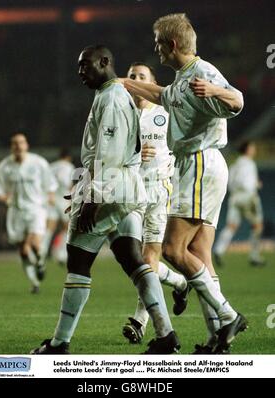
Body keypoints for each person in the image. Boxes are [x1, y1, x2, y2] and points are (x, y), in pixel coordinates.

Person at [31, 45, 180, 355]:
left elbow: (109, 158)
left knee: (78, 260)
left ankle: (59, 343)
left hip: (112, 191)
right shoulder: (112, 95)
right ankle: (165, 334)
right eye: (79, 66)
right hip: (126, 191)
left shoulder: (111, 98)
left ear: (105, 62)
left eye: (85, 65)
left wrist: (91, 201)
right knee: (133, 260)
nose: (80, 72)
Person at [121, 13, 247, 354]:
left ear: (172, 44)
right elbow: (164, 95)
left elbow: (237, 100)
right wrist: (124, 82)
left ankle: (229, 315)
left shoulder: (202, 72)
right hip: (202, 165)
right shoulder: (182, 78)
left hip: (200, 162)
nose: (156, 50)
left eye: (158, 43)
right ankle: (217, 338)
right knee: (200, 255)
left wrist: (217, 90)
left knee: (173, 250)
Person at [122, 62, 187, 344]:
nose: (136, 80)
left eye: (142, 77)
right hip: (131, 193)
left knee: (148, 259)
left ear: (152, 82)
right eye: (132, 76)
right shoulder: (121, 115)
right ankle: (179, 282)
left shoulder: (165, 112)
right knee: (136, 261)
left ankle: (140, 321)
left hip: (160, 191)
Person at [0, 133, 57, 294]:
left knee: (36, 244)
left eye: (21, 142)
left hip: (36, 208)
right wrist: (0, 196)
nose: (18, 146)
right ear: (11, 147)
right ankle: (35, 282)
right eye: (14, 143)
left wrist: (51, 195)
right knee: (23, 251)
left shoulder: (38, 163)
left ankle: (40, 262)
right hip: (16, 211)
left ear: (26, 145)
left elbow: (50, 183)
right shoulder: (5, 166)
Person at [214, 141, 265, 266]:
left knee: (231, 226)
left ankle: (218, 250)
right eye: (252, 148)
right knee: (257, 226)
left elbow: (230, 182)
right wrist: (256, 184)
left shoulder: (234, 164)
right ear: (247, 150)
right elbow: (247, 183)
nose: (254, 150)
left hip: (235, 198)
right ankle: (254, 256)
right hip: (248, 197)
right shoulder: (249, 163)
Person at [41, 148, 75, 265]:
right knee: (68, 227)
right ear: (68, 157)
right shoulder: (68, 166)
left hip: (51, 199)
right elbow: (64, 180)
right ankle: (61, 255)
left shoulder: (51, 166)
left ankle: (41, 252)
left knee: (49, 228)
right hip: (62, 199)